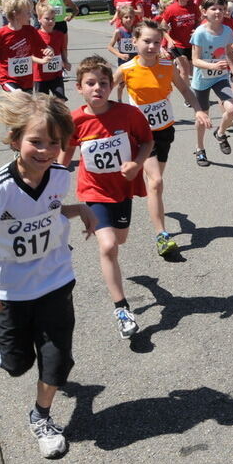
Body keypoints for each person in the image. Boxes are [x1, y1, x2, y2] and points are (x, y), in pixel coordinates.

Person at [0, 91, 97, 459]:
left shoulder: (59, 176)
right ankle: (20, 356)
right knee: (17, 366)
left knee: (57, 359)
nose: (46, 151)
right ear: (16, 140)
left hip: (54, 280)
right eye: (36, 142)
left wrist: (79, 209)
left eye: (55, 143)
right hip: (8, 291)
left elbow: (49, 212)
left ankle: (41, 415)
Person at [61, 57, 152, 338]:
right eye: (90, 83)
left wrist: (137, 163)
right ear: (79, 88)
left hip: (122, 189)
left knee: (120, 239)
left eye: (103, 83)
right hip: (93, 191)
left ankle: (147, 286)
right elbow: (65, 154)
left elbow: (147, 141)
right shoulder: (74, 120)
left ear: (111, 86)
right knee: (109, 245)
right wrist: (50, 185)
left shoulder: (129, 114)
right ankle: (122, 308)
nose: (97, 88)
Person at [114, 20, 208, 257]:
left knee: (156, 182)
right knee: (155, 182)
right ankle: (162, 235)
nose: (152, 46)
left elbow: (185, 89)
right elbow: (103, 92)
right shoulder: (126, 69)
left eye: (157, 42)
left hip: (165, 130)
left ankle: (153, 202)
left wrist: (197, 109)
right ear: (134, 42)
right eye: (146, 41)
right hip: (141, 134)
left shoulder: (167, 65)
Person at [189, 0, 233, 167]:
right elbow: (195, 61)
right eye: (213, 8)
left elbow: (228, 53)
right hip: (202, 80)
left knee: (232, 109)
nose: (218, 11)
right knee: (202, 118)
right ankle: (200, 149)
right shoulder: (199, 33)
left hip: (220, 77)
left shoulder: (227, 31)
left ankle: (220, 133)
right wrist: (212, 64)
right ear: (204, 12)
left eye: (221, 8)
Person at [0, 0, 54, 93]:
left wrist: (49, 50)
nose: (30, 16)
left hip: (27, 79)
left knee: (26, 105)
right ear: (16, 14)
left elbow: (45, 47)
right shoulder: (1, 33)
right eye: (27, 13)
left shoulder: (30, 30)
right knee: (18, 94)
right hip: (8, 78)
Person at [160, 0, 200, 86]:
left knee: (192, 71)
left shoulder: (194, 7)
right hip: (177, 44)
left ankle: (176, 76)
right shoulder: (171, 9)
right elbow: (162, 27)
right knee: (184, 70)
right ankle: (188, 97)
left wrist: (197, 29)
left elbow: (198, 21)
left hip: (191, 43)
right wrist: (169, 40)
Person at [33, 2, 71, 100]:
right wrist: (41, 61)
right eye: (47, 18)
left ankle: (58, 116)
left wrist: (66, 61)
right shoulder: (35, 36)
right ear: (39, 19)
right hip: (40, 77)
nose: (50, 21)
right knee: (42, 104)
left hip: (56, 74)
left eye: (53, 19)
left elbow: (62, 49)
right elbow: (30, 56)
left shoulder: (60, 35)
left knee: (60, 100)